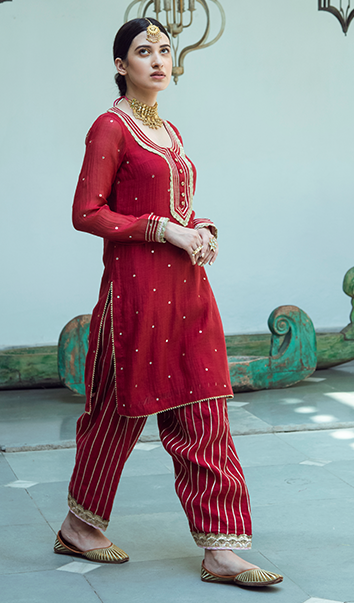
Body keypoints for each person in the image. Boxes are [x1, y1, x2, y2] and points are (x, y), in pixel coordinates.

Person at [54, 18, 283, 588]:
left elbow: (176, 206)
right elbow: (87, 212)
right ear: (120, 65)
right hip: (135, 293)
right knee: (117, 413)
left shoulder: (170, 131)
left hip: (187, 288)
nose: (158, 59)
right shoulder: (111, 127)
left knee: (205, 409)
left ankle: (222, 549)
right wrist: (162, 229)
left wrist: (199, 227)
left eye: (164, 49)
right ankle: (80, 526)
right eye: (143, 51)